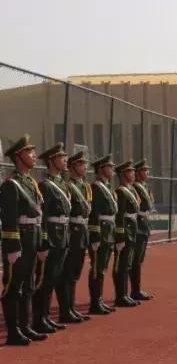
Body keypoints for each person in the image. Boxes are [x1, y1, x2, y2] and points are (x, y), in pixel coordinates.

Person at [2, 135, 46, 345]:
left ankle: (25, 326)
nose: (34, 155)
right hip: (20, 242)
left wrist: (42, 242)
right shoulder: (11, 184)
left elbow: (38, 214)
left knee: (28, 285)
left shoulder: (30, 182)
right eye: (30, 152)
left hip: (33, 239)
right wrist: (12, 246)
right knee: (14, 287)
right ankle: (13, 332)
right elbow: (9, 219)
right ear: (19, 156)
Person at [33, 143, 72, 334]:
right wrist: (44, 241)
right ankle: (39, 319)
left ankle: (46, 317)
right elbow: (43, 217)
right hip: (52, 237)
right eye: (61, 157)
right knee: (46, 280)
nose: (65, 160)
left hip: (63, 235)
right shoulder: (45, 186)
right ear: (51, 161)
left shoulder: (62, 184)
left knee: (55, 277)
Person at [61, 149, 92, 323]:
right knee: (68, 273)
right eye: (81, 163)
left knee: (75, 273)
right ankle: (66, 310)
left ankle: (71, 308)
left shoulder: (83, 186)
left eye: (85, 163)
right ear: (72, 167)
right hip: (73, 233)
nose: (85, 166)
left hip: (82, 233)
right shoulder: (68, 186)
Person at [87, 155, 117, 315]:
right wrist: (95, 236)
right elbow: (94, 214)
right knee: (97, 269)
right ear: (101, 169)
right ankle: (95, 302)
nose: (112, 169)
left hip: (109, 231)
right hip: (101, 232)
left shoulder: (107, 187)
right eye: (109, 166)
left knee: (103, 269)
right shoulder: (96, 187)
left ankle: (99, 300)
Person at [112, 160, 141, 307]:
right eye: (130, 171)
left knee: (127, 264)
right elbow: (119, 216)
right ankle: (120, 296)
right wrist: (120, 236)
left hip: (132, 229)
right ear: (123, 174)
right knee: (121, 265)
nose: (134, 173)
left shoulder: (129, 190)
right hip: (125, 231)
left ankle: (125, 294)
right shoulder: (120, 192)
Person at [131, 160, 155, 301]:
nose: (147, 173)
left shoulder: (145, 187)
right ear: (138, 172)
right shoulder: (135, 187)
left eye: (147, 170)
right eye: (144, 170)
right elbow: (142, 205)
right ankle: (135, 290)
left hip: (144, 225)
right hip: (138, 226)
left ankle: (137, 289)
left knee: (139, 259)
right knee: (135, 260)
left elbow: (150, 204)